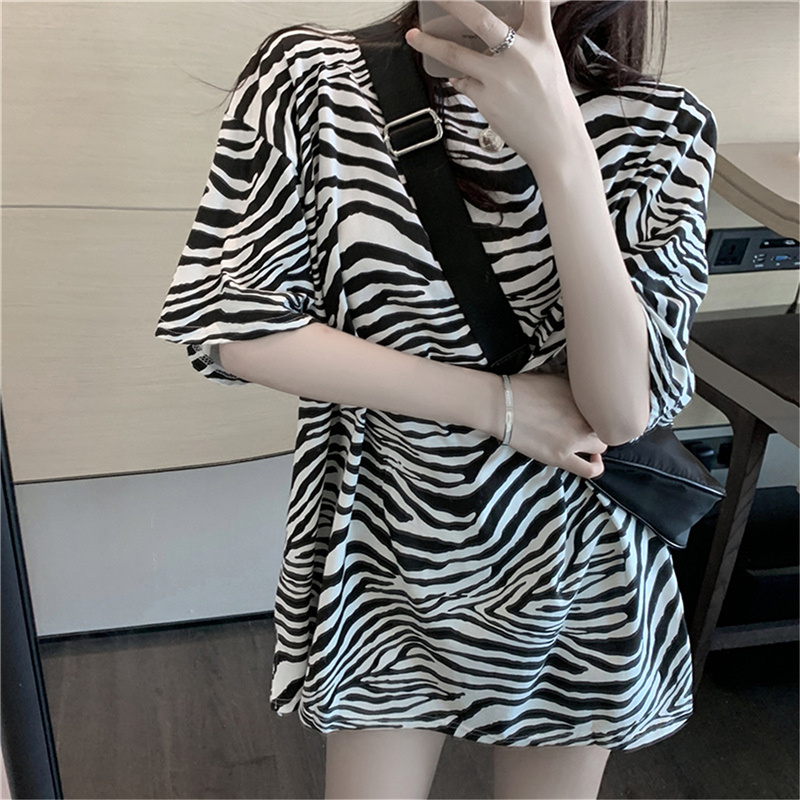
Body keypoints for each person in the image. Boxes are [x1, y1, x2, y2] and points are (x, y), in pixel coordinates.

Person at [154, 0, 718, 797]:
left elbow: (622, 410)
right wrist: (501, 405)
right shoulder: (311, 79)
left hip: (575, 562)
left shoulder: (660, 126)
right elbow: (235, 327)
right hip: (382, 543)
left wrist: (561, 150)